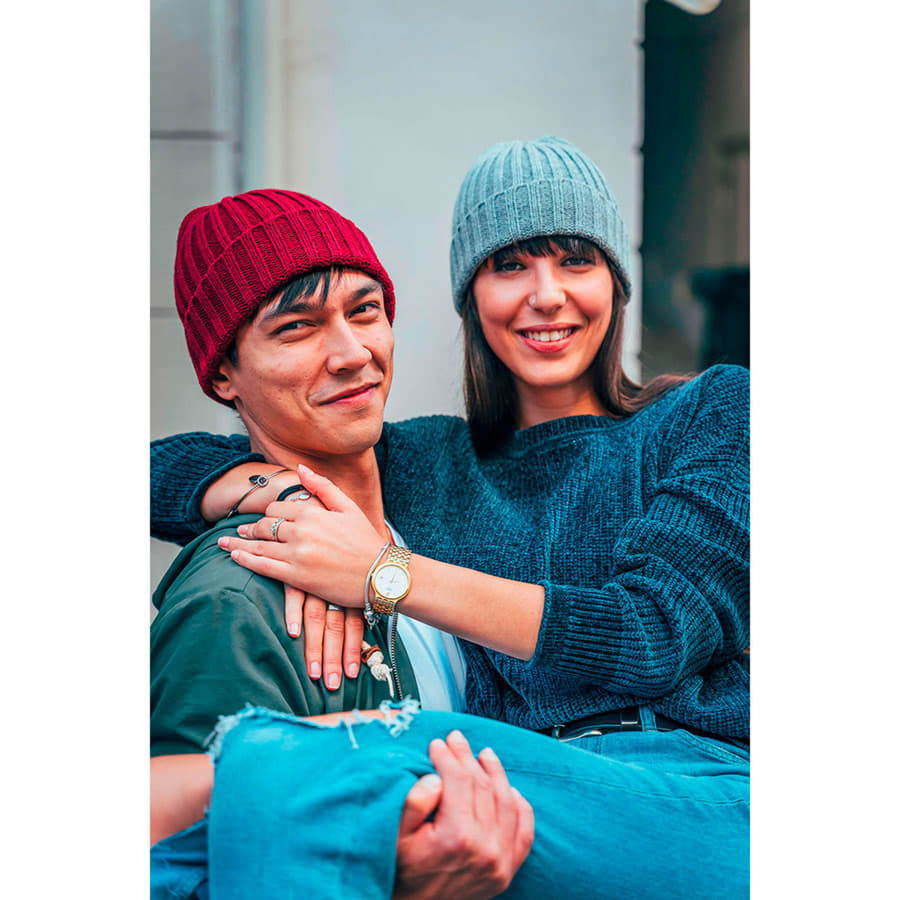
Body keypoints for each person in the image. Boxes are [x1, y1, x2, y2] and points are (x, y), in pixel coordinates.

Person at [152, 136, 750, 897]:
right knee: (266, 821)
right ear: (472, 294)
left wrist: (381, 574)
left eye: (577, 260)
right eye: (510, 265)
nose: (547, 295)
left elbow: (650, 634)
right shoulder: (423, 459)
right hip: (507, 808)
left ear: (616, 282)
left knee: (301, 767)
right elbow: (160, 468)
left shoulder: (711, 413)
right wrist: (290, 494)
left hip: (699, 794)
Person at [150, 189, 530, 899]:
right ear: (224, 374)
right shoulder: (237, 595)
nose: (353, 354)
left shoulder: (443, 505)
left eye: (365, 311)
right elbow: (183, 869)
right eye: (297, 328)